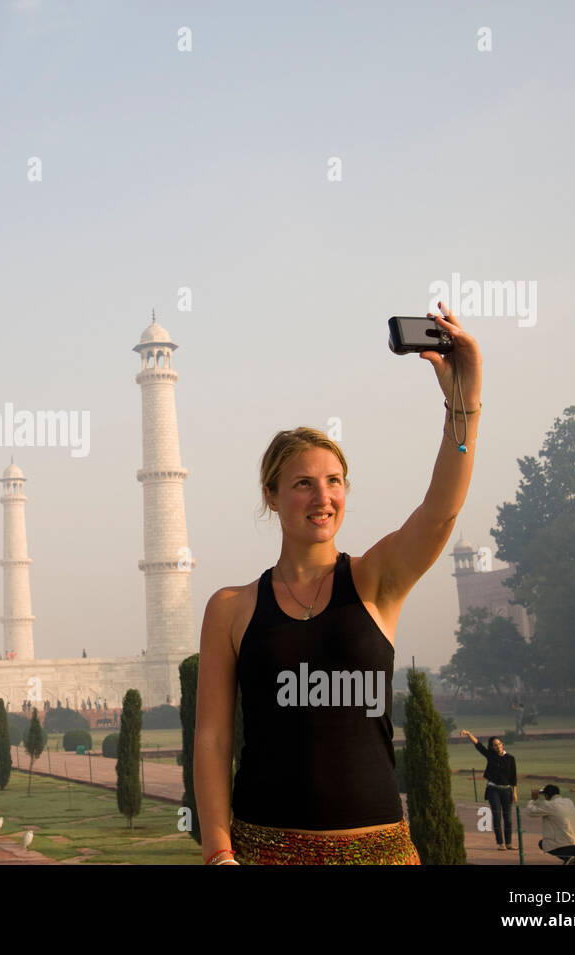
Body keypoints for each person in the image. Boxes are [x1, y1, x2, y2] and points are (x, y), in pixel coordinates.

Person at [194, 302, 482, 865]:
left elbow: (441, 510)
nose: (322, 498)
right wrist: (217, 852)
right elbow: (211, 738)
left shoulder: (376, 582)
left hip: (379, 851)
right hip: (265, 850)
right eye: (303, 483)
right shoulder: (230, 608)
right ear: (272, 497)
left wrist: (462, 399)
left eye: (333, 482)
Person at [461, 730, 518, 850]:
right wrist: (468, 733)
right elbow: (478, 745)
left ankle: (509, 843)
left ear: (502, 744)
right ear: (492, 747)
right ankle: (501, 843)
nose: (498, 746)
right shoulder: (490, 755)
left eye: (499, 744)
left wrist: (515, 793)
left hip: (507, 790)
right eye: (495, 745)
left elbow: (513, 777)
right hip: (493, 789)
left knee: (508, 818)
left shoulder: (510, 758)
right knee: (497, 816)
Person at [523, 785, 575, 865]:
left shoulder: (549, 805)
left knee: (543, 844)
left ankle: (567, 857)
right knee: (564, 839)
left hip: (567, 846)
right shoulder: (569, 801)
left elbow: (530, 812)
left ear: (546, 796)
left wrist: (533, 799)